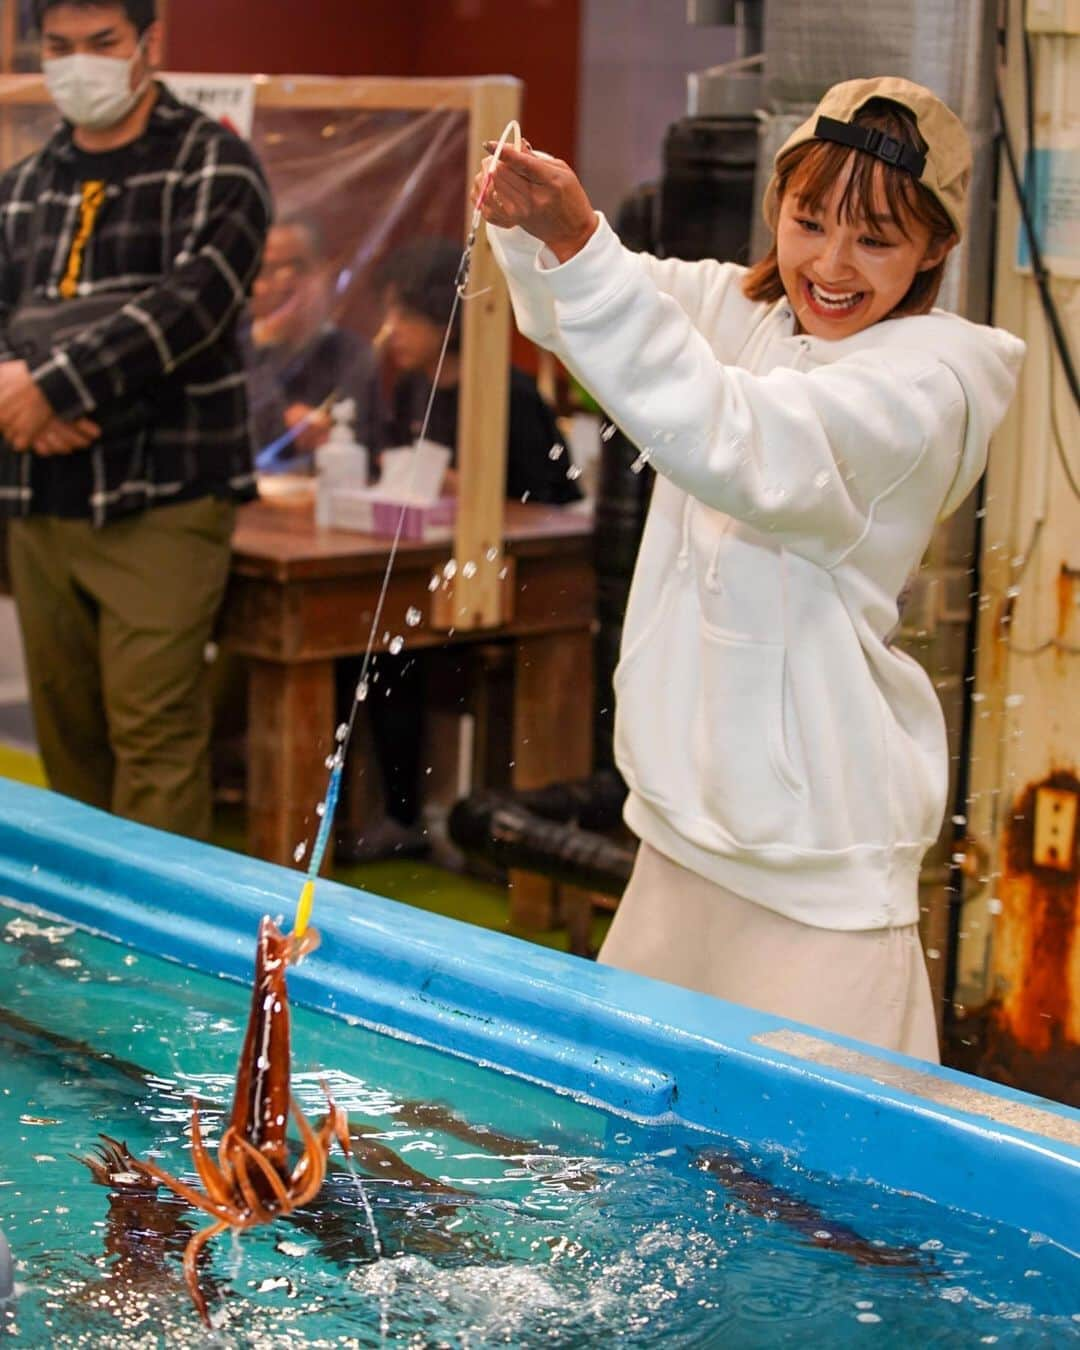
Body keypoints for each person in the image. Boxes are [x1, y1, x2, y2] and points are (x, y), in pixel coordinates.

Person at [475, 78, 1025, 1060]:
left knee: (823, 1202)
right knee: (635, 1163)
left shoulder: (927, 389)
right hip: (684, 839)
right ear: (776, 201)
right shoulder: (754, 315)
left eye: (877, 238)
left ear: (938, 247)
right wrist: (543, 232)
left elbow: (732, 440)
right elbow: (597, 305)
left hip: (822, 881)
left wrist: (581, 247)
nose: (831, 265)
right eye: (809, 220)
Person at [0, 0, 271, 841]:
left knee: (155, 739)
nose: (80, 63)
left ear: (151, 44)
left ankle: (160, 961)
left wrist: (47, 382)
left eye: (102, 43)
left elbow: (186, 312)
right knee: (69, 743)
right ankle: (80, 944)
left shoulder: (216, 166)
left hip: (163, 499)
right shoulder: (22, 187)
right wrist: (26, 399)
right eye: (61, 47)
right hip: (39, 497)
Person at [376, 236, 582, 505]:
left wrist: (459, 485)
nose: (390, 330)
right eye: (388, 313)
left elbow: (541, 500)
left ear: (444, 316)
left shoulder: (509, 393)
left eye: (405, 316)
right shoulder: (410, 387)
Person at [244, 218, 382, 470]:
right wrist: (261, 342)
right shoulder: (236, 349)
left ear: (322, 273)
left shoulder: (351, 352)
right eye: (269, 270)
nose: (284, 283)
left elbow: (367, 445)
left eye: (298, 267)